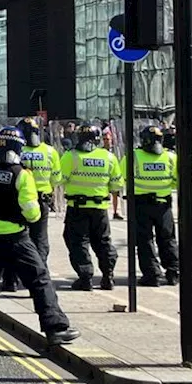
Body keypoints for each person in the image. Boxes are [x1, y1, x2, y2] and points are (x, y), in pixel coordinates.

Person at [0, 127, 80, 348]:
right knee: (39, 279)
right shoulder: (22, 174)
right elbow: (32, 214)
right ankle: (55, 328)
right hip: (15, 239)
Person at [0, 117, 62, 291]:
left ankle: (10, 280)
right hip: (41, 201)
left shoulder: (16, 150)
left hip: (15, 200)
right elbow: (56, 179)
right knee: (40, 241)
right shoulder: (50, 152)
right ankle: (38, 281)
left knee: (13, 239)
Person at [59, 124, 123, 290]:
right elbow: (117, 184)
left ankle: (85, 277)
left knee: (78, 242)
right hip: (100, 208)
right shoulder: (109, 157)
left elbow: (59, 179)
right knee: (103, 242)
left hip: (77, 208)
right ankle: (108, 276)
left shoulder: (71, 156)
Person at [132, 126, 179, 286]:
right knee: (168, 239)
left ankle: (152, 275)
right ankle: (173, 272)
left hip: (141, 204)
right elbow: (176, 180)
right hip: (164, 204)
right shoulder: (171, 157)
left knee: (145, 240)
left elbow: (123, 177)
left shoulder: (134, 156)